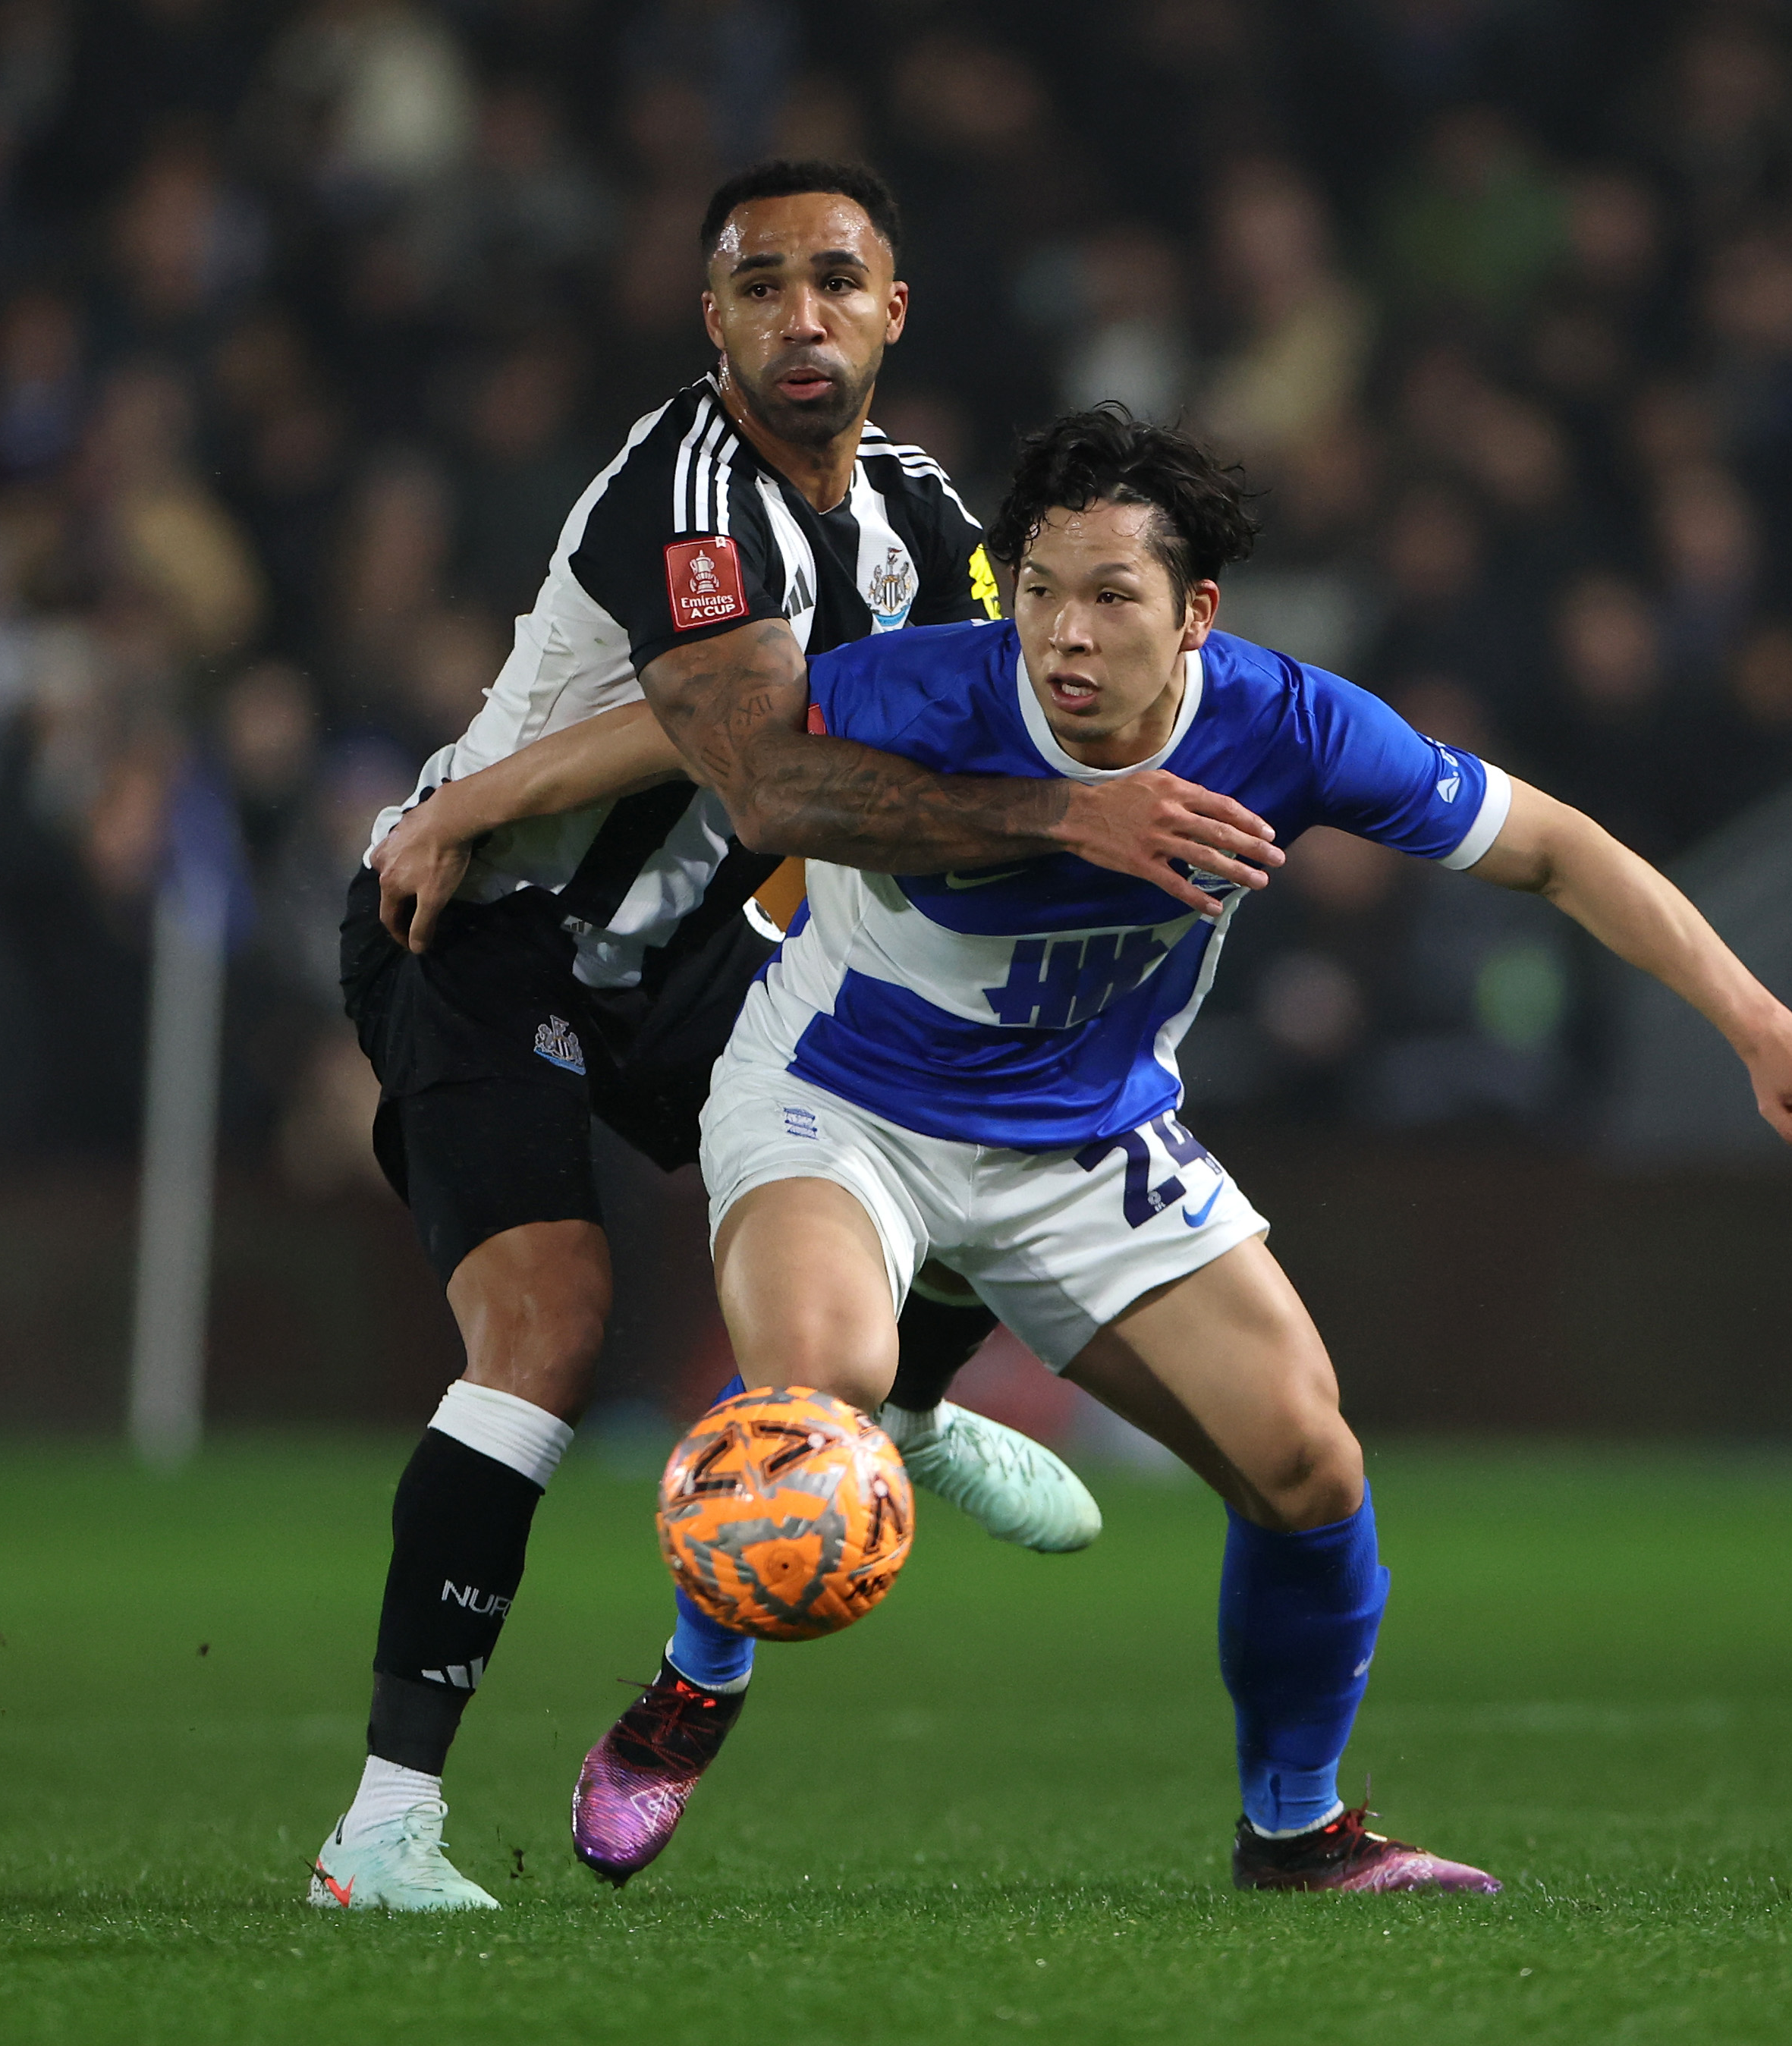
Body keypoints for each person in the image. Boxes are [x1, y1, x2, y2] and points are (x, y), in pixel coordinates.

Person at [554, 407, 1792, 1890]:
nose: (1067, 632)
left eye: (1113, 596)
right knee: (827, 1385)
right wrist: (462, 814)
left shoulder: (1291, 725)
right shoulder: (918, 687)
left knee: (1309, 1461)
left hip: (1086, 1134)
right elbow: (699, 731)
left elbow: (1554, 847)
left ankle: (1298, 1826)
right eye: (1042, 586)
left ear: (1196, 611)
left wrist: (1762, 1022)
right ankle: (692, 1694)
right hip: (841, 1096)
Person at [312, 166, 1283, 1913]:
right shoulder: (685, 499)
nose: (801, 315)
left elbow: (955, 710)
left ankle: (894, 1406)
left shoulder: (920, 511)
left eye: (837, 281)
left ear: (894, 310)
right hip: (482, 938)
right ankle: (382, 1824)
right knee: (549, 1325)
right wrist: (481, 806)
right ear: (715, 321)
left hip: (692, 960)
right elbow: (759, 764)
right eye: (760, 287)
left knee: (978, 1094)